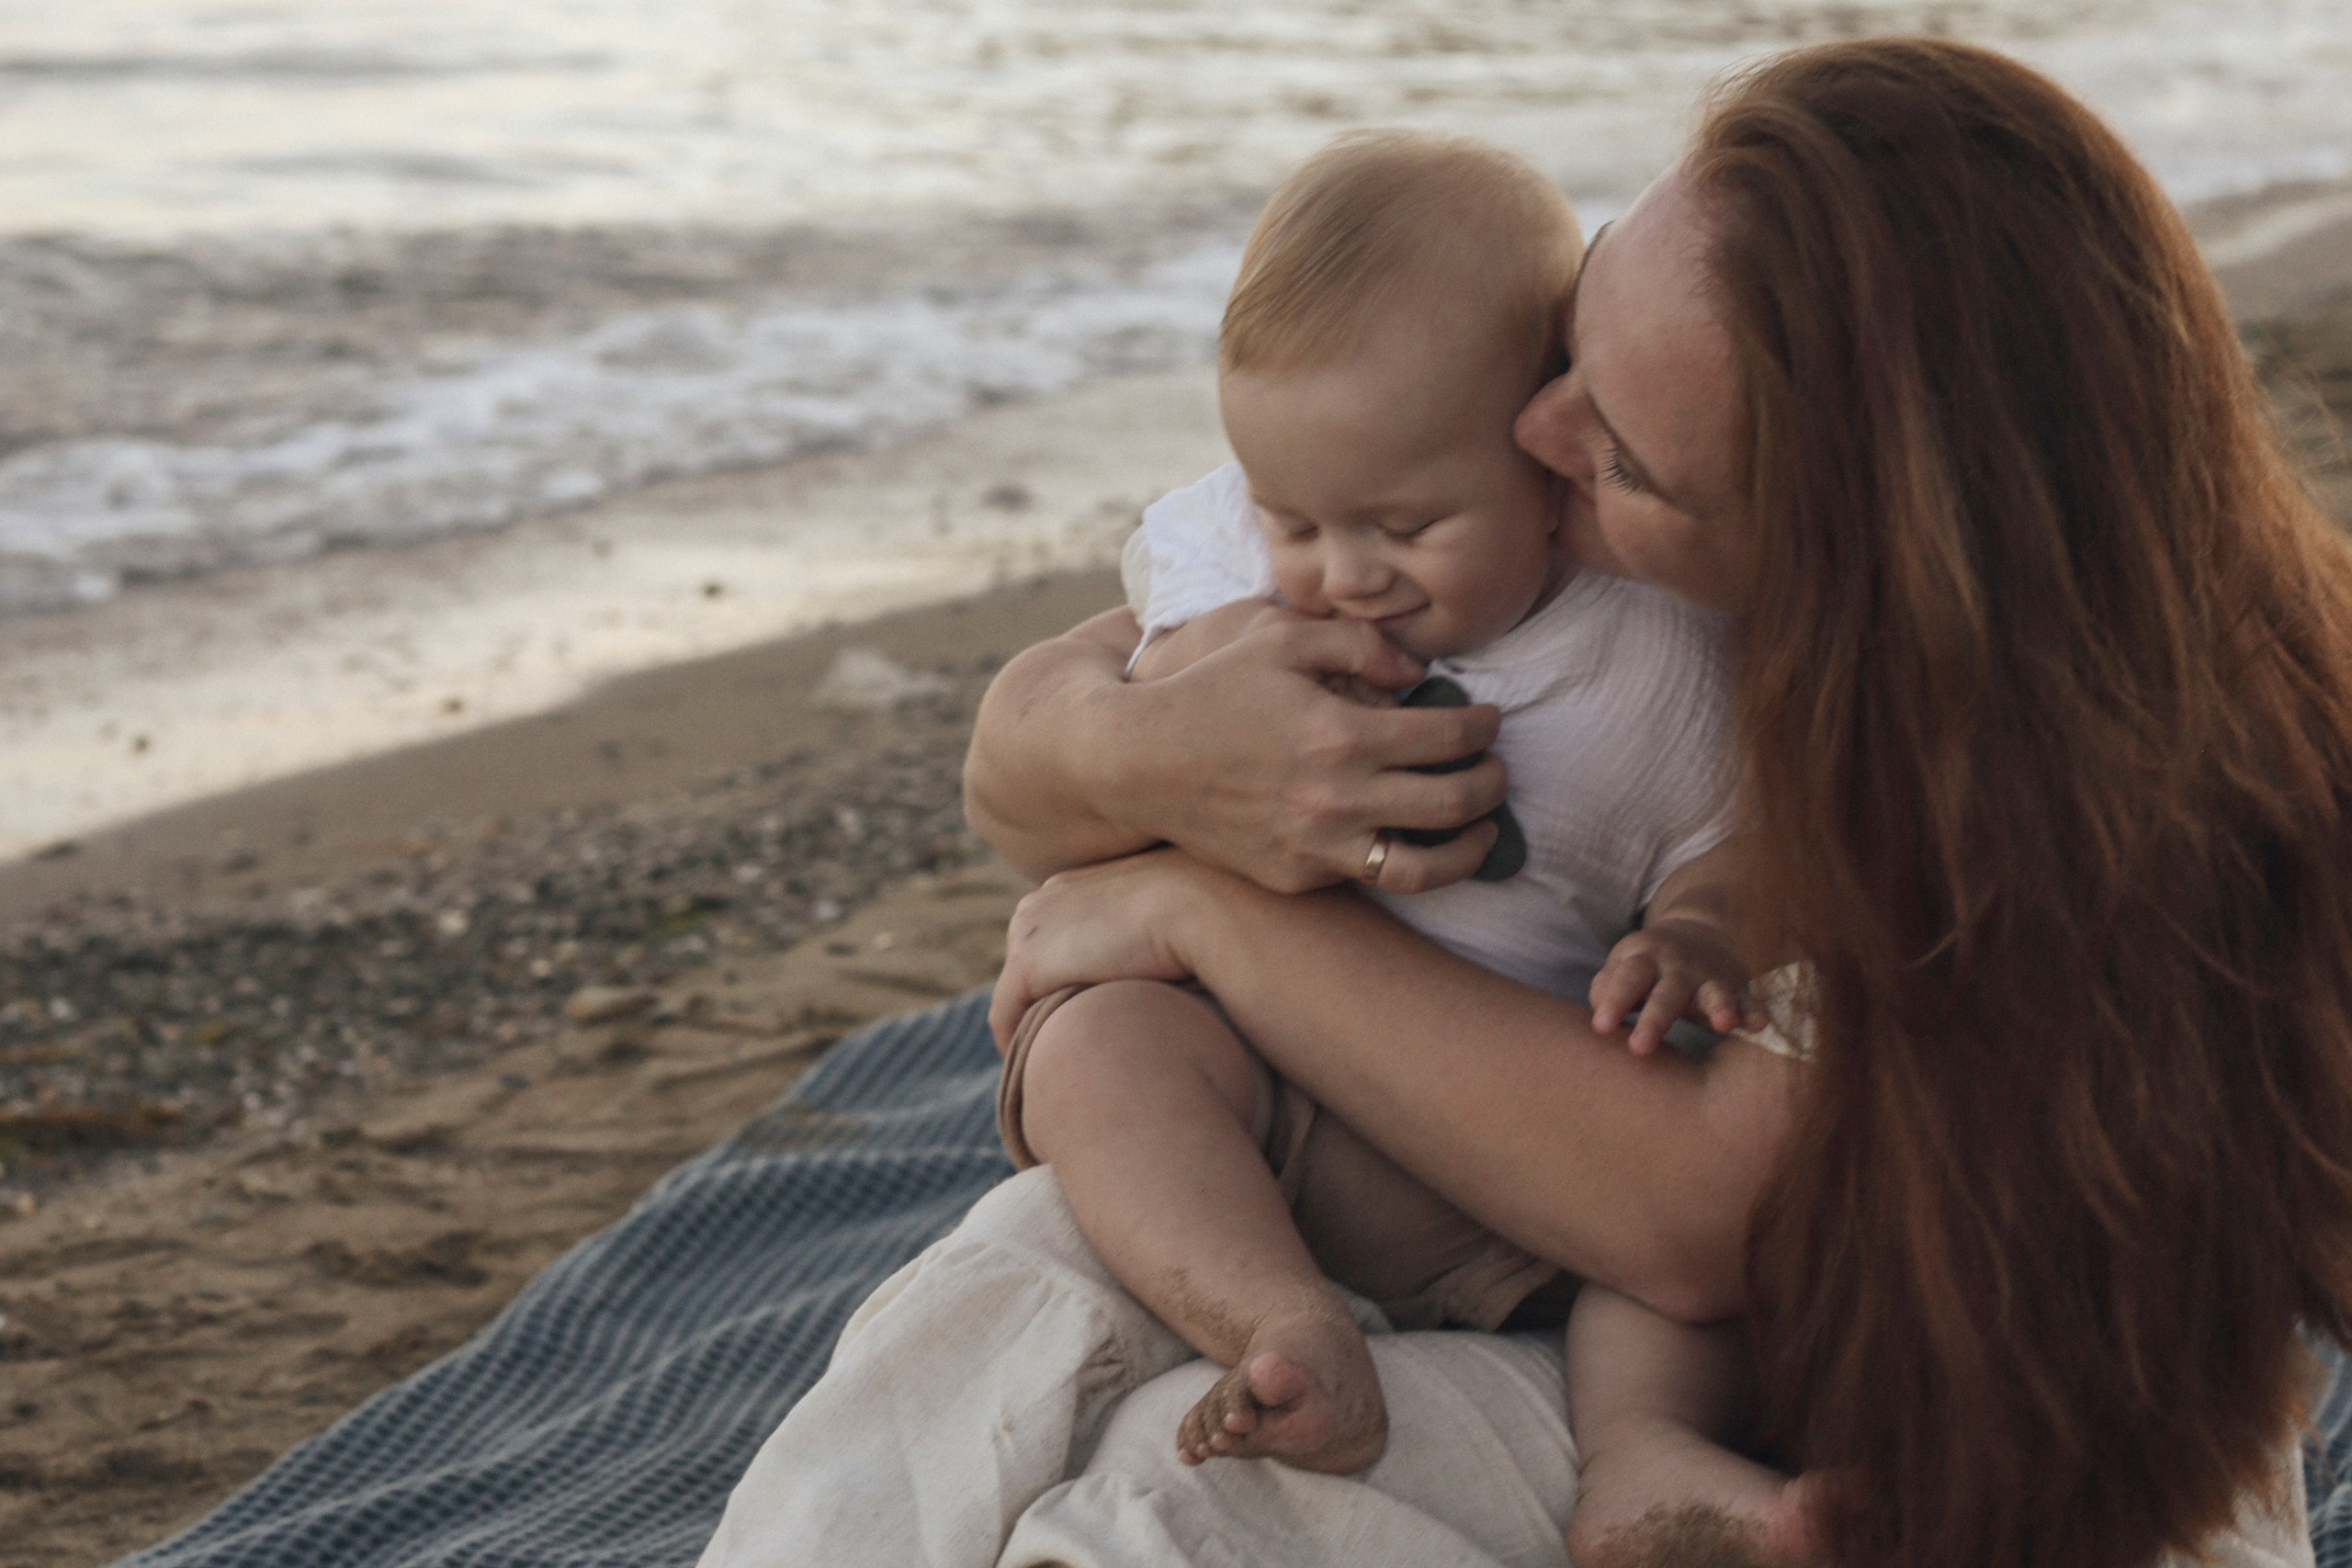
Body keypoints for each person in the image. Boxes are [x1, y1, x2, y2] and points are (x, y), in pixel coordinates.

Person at [972, 35, 2352, 1568]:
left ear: (1822, 569)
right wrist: (1130, 759)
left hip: (1907, 1413)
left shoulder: (2021, 772)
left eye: (1617, 454)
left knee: (1125, 1490)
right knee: (1018, 1299)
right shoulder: (1523, 547)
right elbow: (1026, 750)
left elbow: (1685, 1224)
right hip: (1523, 1223)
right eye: (1573, 337)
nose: (1536, 432)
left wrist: (1187, 904)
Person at [997, 130, 1773, 1532]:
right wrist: (1175, 711)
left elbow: (1735, 835)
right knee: (1098, 1045)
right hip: (1273, 1101)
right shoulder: (1241, 572)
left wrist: (1698, 928)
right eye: (1294, 517)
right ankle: (1283, 1324)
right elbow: (1081, 711)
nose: (1345, 575)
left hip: (1549, 1162)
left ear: (1549, 448)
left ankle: (1647, 1469)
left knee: (1668, 1312)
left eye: (1407, 525)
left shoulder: (1657, 652)